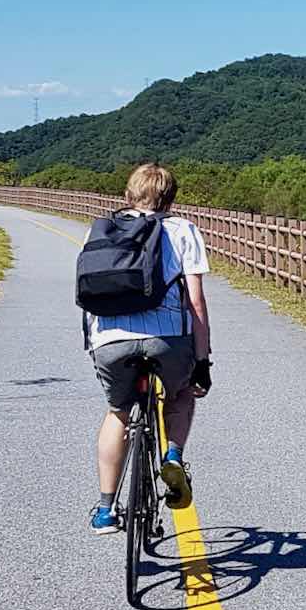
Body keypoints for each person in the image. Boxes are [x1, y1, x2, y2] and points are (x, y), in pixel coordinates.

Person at [87, 163, 212, 533]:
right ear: (171, 199)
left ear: (127, 195)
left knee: (118, 412)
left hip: (110, 339)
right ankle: (172, 455)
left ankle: (106, 510)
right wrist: (201, 362)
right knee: (182, 393)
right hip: (167, 338)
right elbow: (197, 303)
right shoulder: (182, 229)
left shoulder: (103, 228)